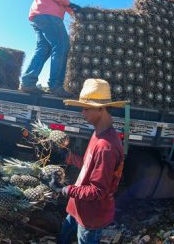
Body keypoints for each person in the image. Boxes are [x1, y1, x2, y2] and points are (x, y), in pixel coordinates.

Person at [49, 79, 126, 244]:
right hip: (79, 207)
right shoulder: (98, 134)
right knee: (64, 235)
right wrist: (68, 157)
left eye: (86, 109)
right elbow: (89, 164)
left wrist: (65, 190)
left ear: (101, 109)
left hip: (91, 215)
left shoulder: (106, 146)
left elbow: (98, 191)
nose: (82, 113)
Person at [19, 0, 81, 98]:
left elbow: (62, 2)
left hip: (39, 16)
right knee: (62, 46)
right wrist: (70, 4)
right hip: (49, 16)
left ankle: (28, 82)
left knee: (44, 48)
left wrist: (74, 12)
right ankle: (56, 85)